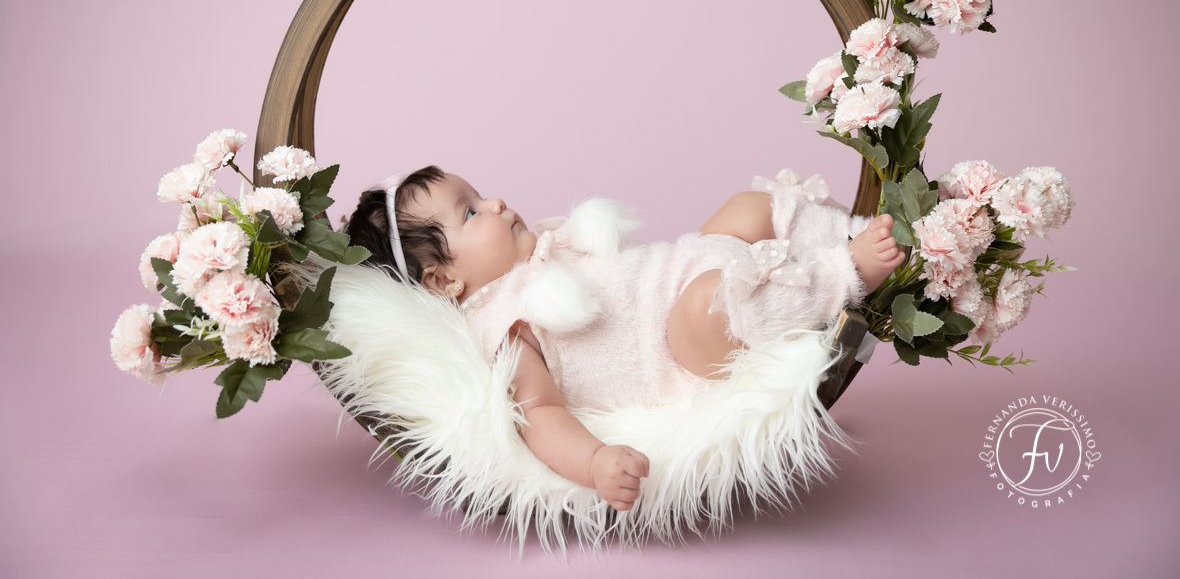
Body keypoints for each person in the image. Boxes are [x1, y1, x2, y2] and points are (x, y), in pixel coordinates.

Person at [343, 166, 904, 512]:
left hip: (697, 258)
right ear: (443, 280)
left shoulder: (545, 244)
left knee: (746, 208)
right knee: (707, 309)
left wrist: (718, 248)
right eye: (470, 212)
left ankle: (859, 231)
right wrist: (595, 462)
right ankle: (845, 272)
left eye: (480, 193)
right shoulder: (505, 326)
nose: (495, 204)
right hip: (685, 342)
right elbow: (539, 412)